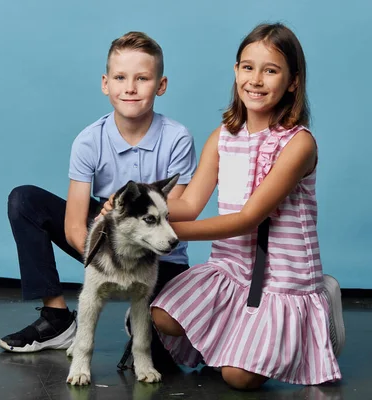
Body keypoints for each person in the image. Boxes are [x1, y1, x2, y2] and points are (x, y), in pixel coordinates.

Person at [102, 22, 346, 390]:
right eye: (248, 67)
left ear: (293, 82)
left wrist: (161, 234)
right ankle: (240, 341)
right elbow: (188, 203)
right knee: (163, 317)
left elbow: (248, 219)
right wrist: (137, 211)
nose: (256, 80)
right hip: (231, 268)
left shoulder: (299, 145)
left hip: (282, 278)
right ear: (235, 72)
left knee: (239, 379)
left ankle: (321, 311)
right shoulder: (223, 137)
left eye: (271, 70)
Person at [0, 31, 197, 367]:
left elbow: (173, 215)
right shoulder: (89, 140)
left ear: (160, 85)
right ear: (106, 84)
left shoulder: (177, 138)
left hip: (160, 253)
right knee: (24, 200)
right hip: (108, 239)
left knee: (152, 363)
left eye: (142, 78)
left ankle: (143, 322)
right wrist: (107, 261)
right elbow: (76, 226)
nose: (130, 87)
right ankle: (57, 319)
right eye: (120, 77)